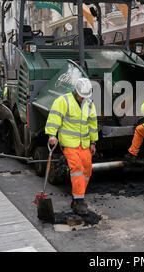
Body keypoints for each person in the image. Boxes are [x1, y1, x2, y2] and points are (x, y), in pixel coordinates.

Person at [45, 78, 98, 215]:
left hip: (84, 143)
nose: (82, 98)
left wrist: (93, 142)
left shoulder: (90, 104)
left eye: (85, 96)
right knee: (77, 169)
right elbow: (54, 118)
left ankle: (77, 197)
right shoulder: (63, 101)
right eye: (81, 95)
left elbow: (92, 125)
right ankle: (79, 201)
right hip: (69, 143)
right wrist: (52, 134)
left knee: (87, 169)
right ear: (76, 91)